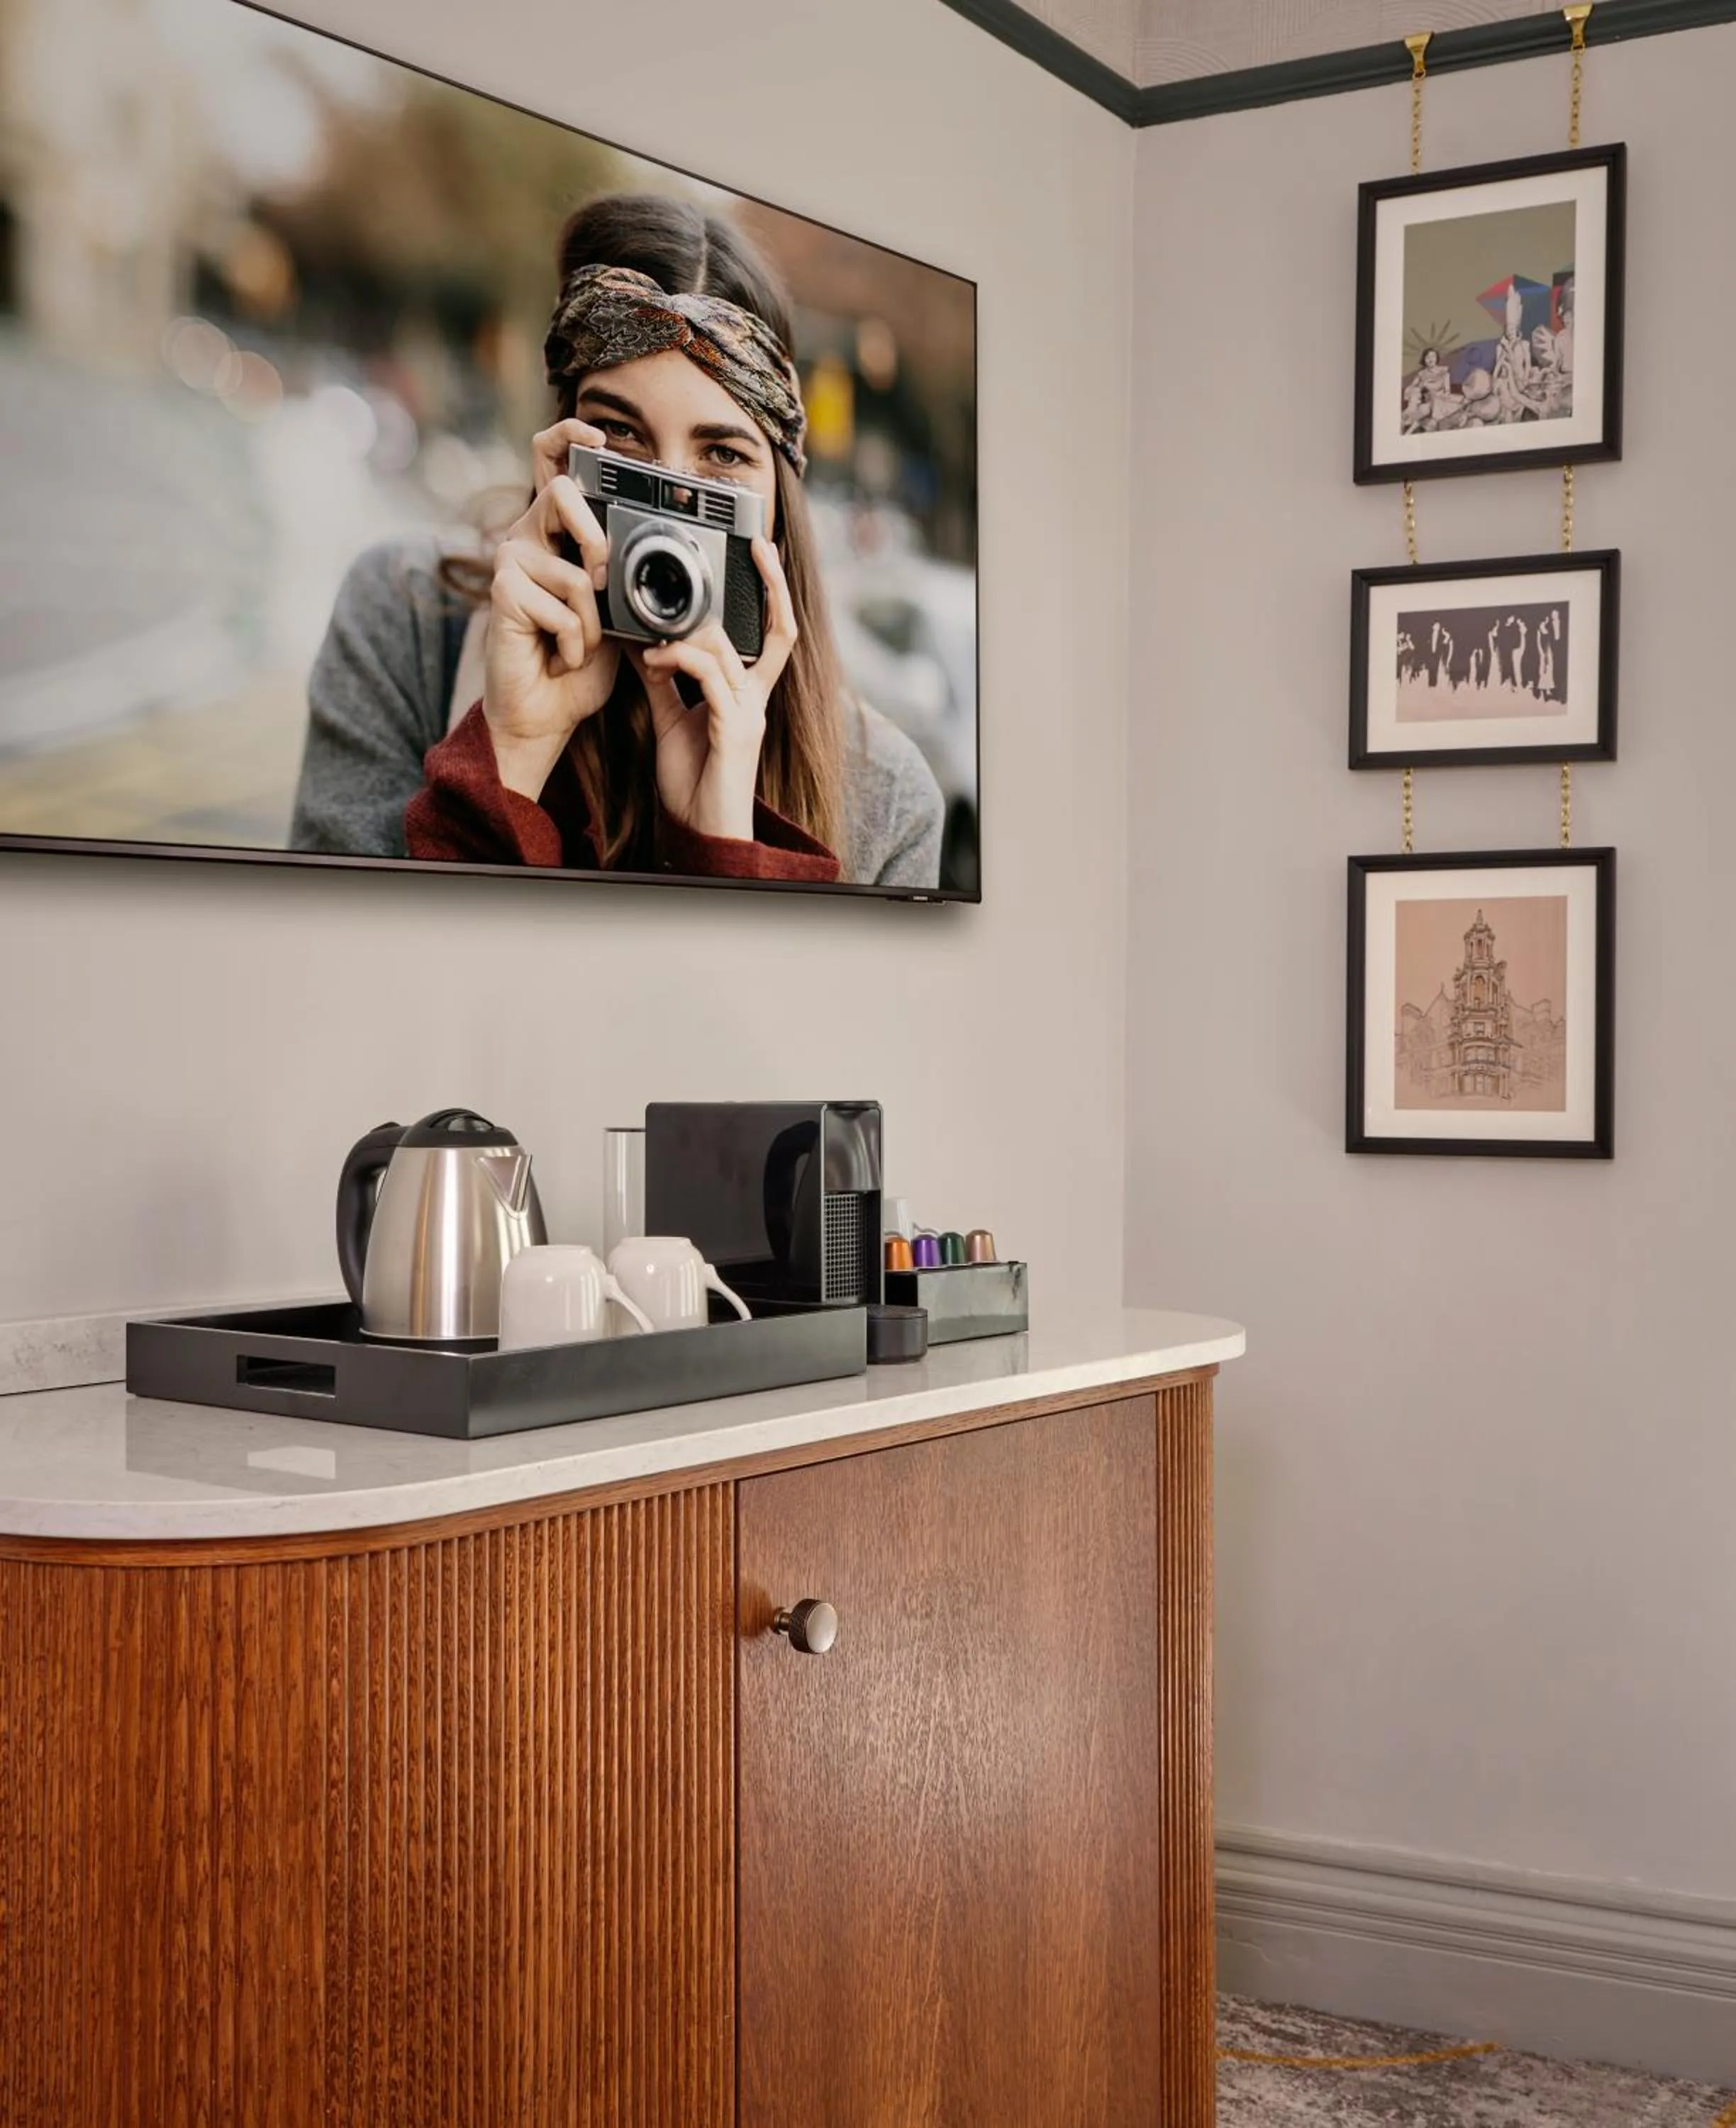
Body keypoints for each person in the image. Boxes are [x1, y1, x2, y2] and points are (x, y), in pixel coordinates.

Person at [290, 194, 944, 887]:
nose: (669, 522)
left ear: (780, 501)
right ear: (560, 452)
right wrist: (507, 754)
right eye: (622, 437)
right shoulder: (406, 622)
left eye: (721, 456)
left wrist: (719, 848)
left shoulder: (889, 803)